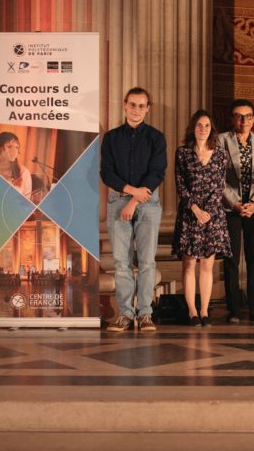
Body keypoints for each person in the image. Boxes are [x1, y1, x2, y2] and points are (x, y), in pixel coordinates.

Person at [100, 87, 166, 332]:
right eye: (133, 104)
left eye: (142, 105)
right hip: (118, 199)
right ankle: (126, 314)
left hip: (147, 202)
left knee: (147, 261)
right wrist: (130, 192)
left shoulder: (156, 138)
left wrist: (135, 199)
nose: (137, 109)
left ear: (148, 108)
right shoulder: (111, 138)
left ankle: (145, 313)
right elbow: (106, 173)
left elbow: (157, 171)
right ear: (124, 105)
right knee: (121, 261)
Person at [172, 109, 231, 328]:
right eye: (199, 125)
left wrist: (207, 212)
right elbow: (180, 185)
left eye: (207, 126)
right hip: (189, 215)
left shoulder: (220, 154)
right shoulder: (182, 153)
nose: (203, 129)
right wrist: (195, 210)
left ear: (212, 130)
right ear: (192, 128)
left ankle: (205, 312)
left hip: (213, 216)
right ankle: (192, 312)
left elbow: (220, 186)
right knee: (189, 265)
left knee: (207, 266)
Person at [218, 99, 254, 323]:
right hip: (232, 209)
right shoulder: (221, 140)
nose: (243, 120)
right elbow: (218, 178)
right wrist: (236, 203)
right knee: (231, 259)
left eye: (248, 116)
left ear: (253, 118)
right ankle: (234, 310)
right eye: (238, 116)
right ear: (232, 118)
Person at [0, 131, 32, 199]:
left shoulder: (24, 172)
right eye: (9, 147)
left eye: (17, 147)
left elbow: (26, 201)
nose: (14, 151)